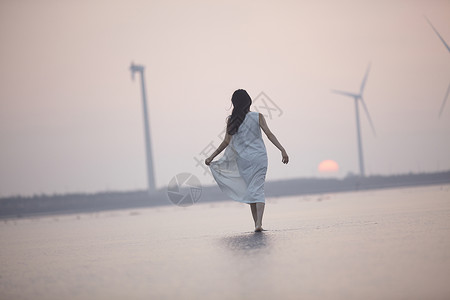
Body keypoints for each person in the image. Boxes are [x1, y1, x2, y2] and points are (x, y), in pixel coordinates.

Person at [205, 89, 289, 232]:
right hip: (259, 158)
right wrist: (282, 149)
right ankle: (259, 223)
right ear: (249, 101)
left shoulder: (232, 121)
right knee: (258, 189)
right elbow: (269, 134)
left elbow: (226, 142)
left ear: (234, 103)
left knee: (252, 190)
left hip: (243, 160)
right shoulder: (258, 116)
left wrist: (211, 156)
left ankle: (256, 224)